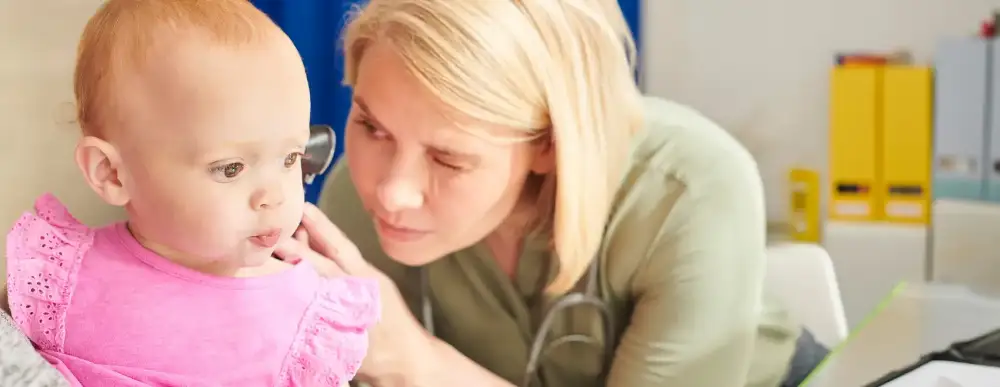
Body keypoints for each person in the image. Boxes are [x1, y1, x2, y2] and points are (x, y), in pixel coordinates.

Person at [272, 0, 830, 386]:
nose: (390, 192)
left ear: (548, 145)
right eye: (372, 126)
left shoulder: (688, 189)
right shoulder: (353, 191)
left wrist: (416, 365)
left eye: (449, 158)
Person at [3, 1, 378, 386]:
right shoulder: (59, 279)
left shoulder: (308, 319)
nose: (275, 197)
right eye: (231, 168)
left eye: (290, 158)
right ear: (112, 174)